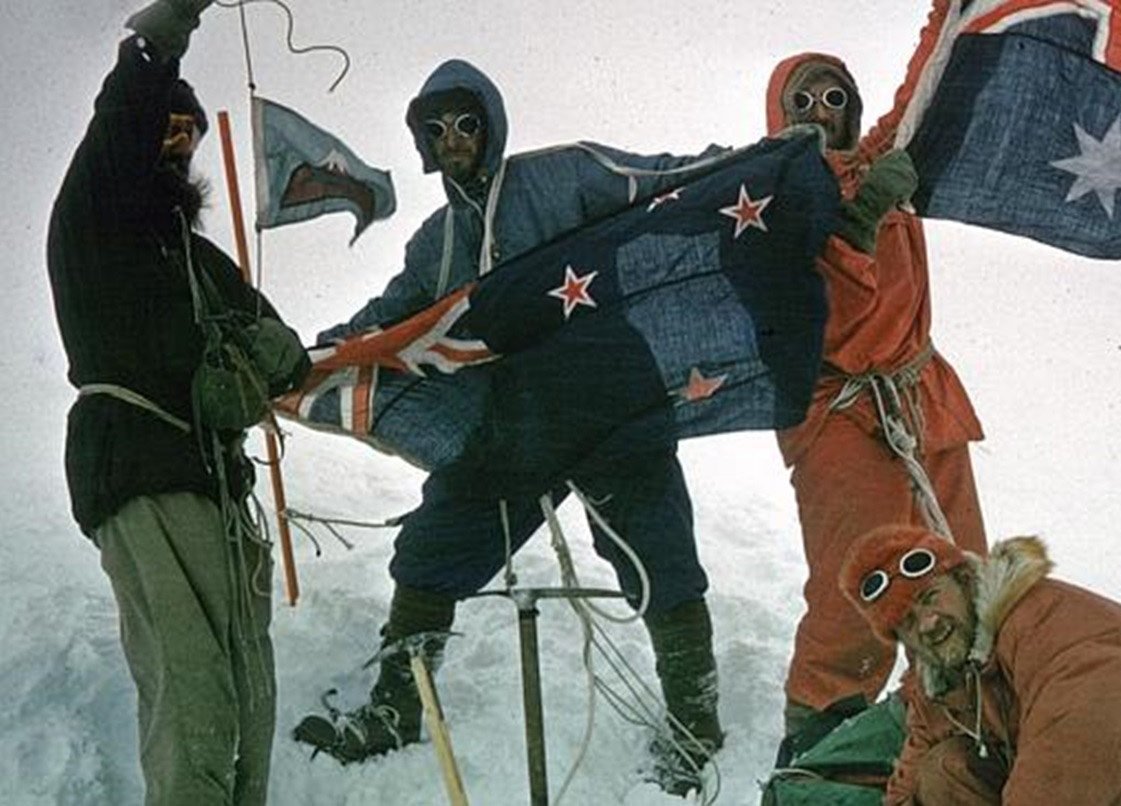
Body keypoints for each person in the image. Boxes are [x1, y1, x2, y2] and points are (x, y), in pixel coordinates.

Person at [292, 59, 734, 795]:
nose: (455, 138)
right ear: (424, 144)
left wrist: (760, 158)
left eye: (467, 122)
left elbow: (666, 178)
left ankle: (696, 723)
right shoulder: (436, 240)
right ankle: (399, 708)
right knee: (432, 548)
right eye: (437, 130)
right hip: (517, 425)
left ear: (490, 123)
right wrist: (302, 358)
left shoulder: (564, 175)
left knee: (658, 554)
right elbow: (389, 318)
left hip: (612, 403)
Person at [46, 1, 310, 803]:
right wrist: (162, 41)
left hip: (218, 485)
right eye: (166, 128)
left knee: (247, 702)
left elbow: (284, 352)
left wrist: (274, 355)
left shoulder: (201, 260)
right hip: (139, 464)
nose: (180, 142)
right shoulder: (93, 225)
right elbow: (120, 122)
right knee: (194, 699)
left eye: (189, 133)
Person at [765, 0, 989, 760]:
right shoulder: (764, 197)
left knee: (958, 557)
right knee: (854, 573)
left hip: (920, 393)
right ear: (779, 112)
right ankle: (822, 724)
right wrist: (856, 220)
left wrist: (950, 13)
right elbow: (798, 306)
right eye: (803, 100)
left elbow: (923, 88)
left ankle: (958, 704)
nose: (822, 112)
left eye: (834, 98)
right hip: (836, 407)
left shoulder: (880, 158)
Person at [837, 525, 1121, 805]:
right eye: (909, 622)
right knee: (944, 773)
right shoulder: (937, 677)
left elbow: (1081, 737)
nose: (929, 623)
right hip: (1086, 775)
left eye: (930, 598)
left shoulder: (1040, 617)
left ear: (963, 578)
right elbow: (913, 773)